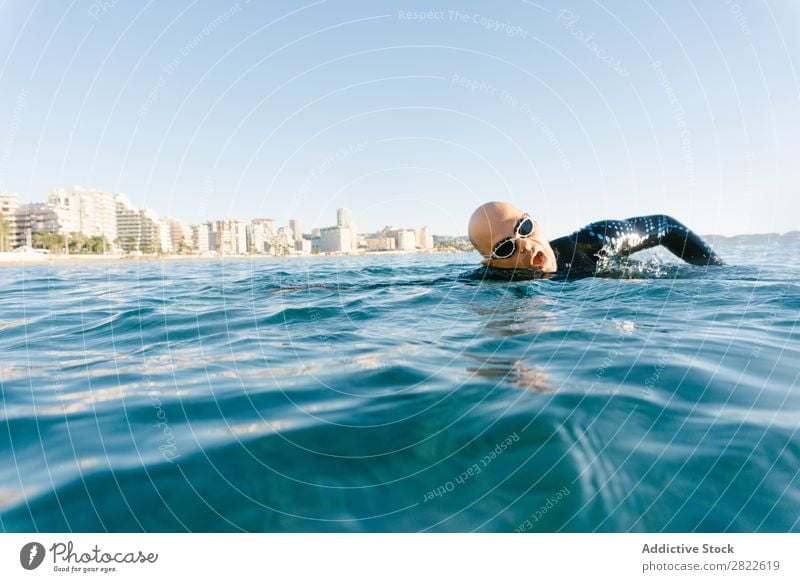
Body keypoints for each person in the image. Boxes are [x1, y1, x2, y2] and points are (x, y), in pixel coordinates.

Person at [467, 201, 724, 279]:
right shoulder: (487, 283)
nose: (526, 245)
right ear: (491, 263)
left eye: (524, 227)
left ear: (535, 221)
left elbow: (667, 226)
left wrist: (717, 272)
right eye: (506, 247)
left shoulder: (596, 241)